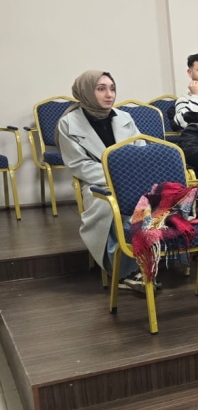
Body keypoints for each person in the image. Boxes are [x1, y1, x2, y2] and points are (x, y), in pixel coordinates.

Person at [55, 71, 144, 290]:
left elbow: (141, 149)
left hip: (131, 178)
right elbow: (79, 164)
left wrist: (131, 175)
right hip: (96, 182)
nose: (109, 94)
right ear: (86, 91)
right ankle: (125, 270)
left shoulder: (124, 117)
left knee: (156, 198)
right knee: (109, 206)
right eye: (101, 89)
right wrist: (118, 177)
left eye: (112, 88)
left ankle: (151, 258)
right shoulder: (68, 123)